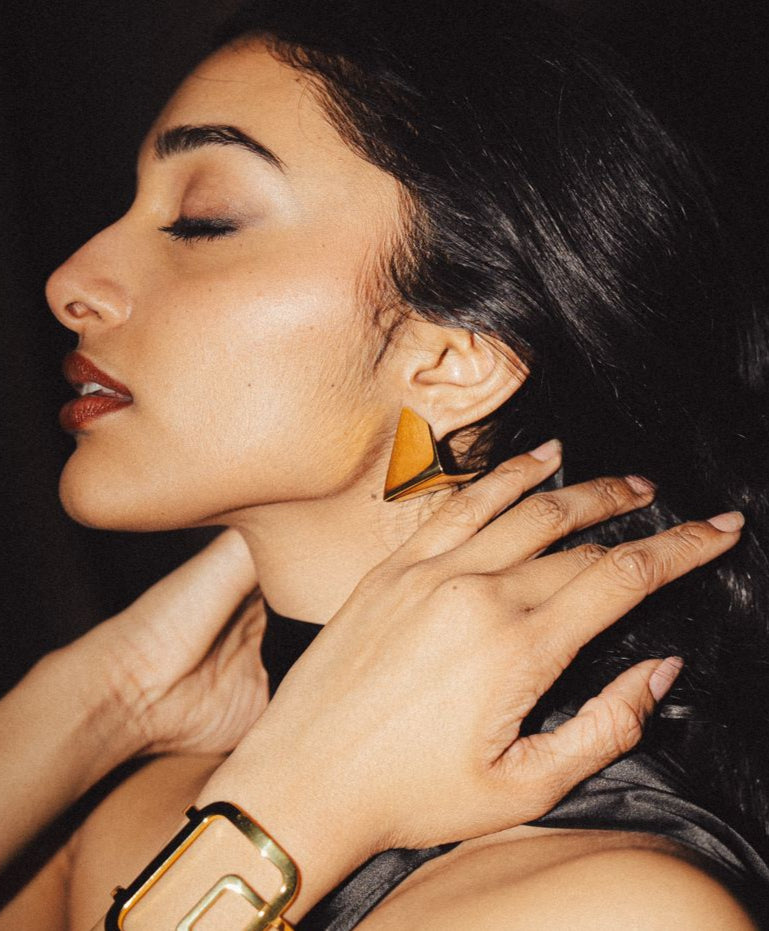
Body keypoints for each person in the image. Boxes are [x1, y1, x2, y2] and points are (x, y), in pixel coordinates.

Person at [1, 0, 768, 927]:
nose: (70, 282)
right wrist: (103, 704)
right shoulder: (120, 811)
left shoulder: (607, 905)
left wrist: (279, 823)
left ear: (451, 362)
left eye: (204, 219)